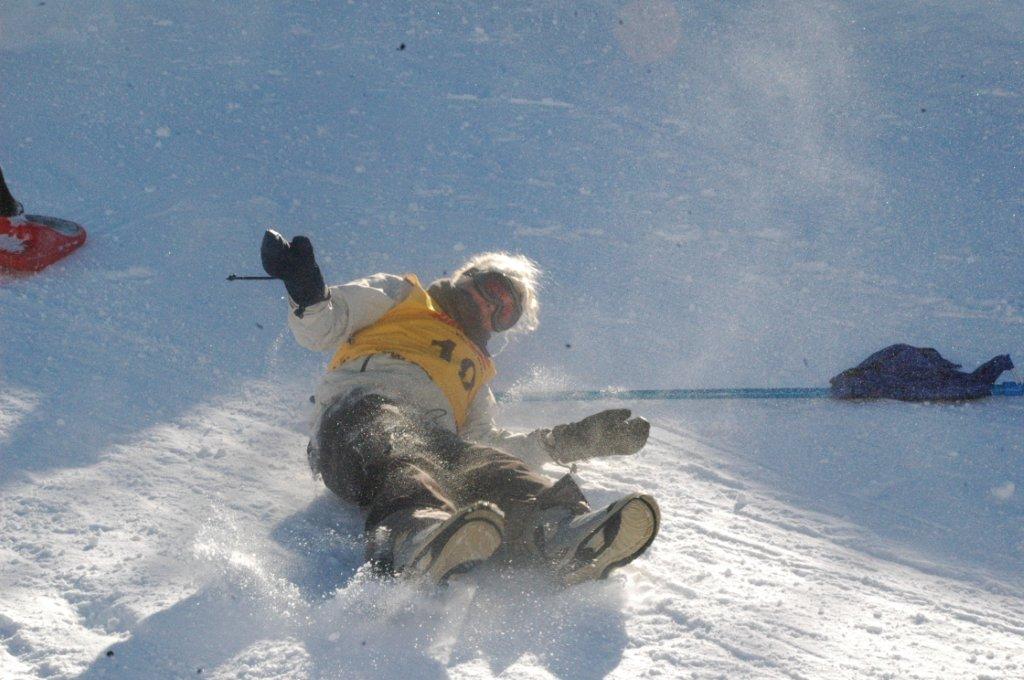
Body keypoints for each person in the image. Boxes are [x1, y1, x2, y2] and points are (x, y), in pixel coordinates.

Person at [261, 229, 661, 586]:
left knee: (486, 464)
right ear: (468, 276)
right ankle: (412, 533)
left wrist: (570, 441)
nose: (491, 309)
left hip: (432, 440)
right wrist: (308, 291)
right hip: (352, 421)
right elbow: (324, 326)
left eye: (505, 313)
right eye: (493, 291)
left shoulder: (475, 372)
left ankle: (558, 531)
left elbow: (488, 441)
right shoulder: (404, 297)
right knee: (394, 440)